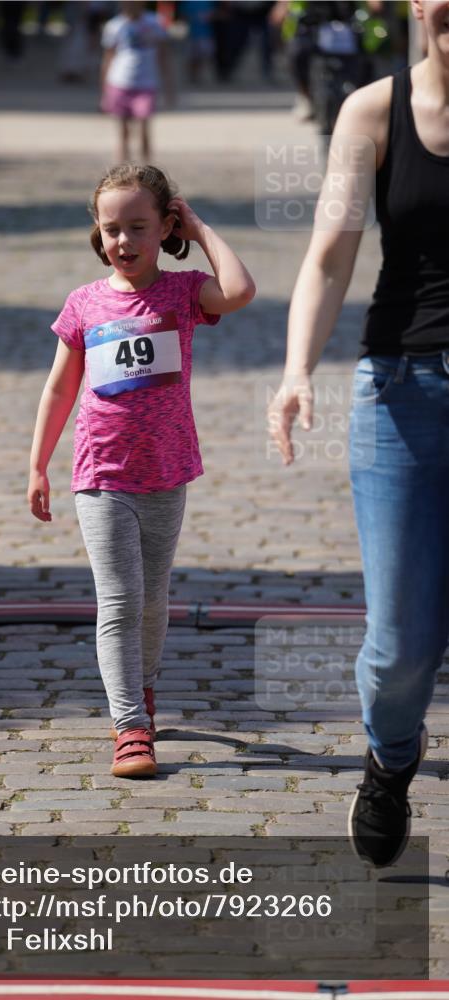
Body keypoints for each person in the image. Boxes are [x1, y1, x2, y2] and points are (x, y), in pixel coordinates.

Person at [267, 0, 448, 867]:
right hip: (402, 395)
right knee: (402, 644)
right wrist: (298, 368)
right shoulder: (370, 111)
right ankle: (389, 757)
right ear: (415, 5)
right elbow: (331, 250)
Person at [27, 164, 255, 779]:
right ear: (97, 235)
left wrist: (201, 228)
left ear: (164, 228)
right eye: (111, 229)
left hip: (166, 473)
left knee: (154, 602)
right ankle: (129, 726)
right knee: (121, 601)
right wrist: (38, 465)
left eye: (138, 227)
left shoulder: (183, 294)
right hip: (100, 474)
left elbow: (239, 292)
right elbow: (58, 389)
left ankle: (144, 689)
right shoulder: (84, 304)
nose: (123, 241)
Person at [100, 1, 174, 163]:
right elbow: (108, 57)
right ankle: (121, 169)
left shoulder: (154, 22)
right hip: (120, 81)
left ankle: (147, 169)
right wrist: (104, 90)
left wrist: (169, 86)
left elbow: (163, 56)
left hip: (146, 82)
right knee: (123, 131)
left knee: (143, 127)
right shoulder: (115, 26)